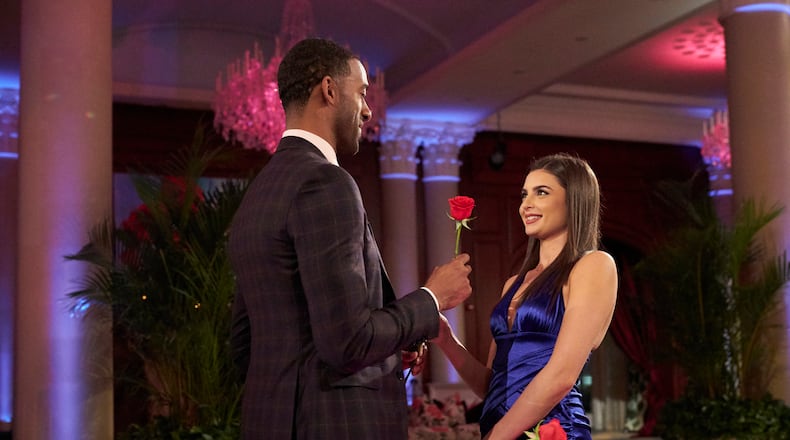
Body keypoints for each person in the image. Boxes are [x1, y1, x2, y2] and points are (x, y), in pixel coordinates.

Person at [227, 37, 473, 440]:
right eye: (361, 93)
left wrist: (390, 348)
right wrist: (432, 297)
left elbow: (245, 345)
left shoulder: (258, 193)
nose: (367, 109)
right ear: (329, 90)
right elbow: (348, 341)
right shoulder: (326, 182)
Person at [431, 153, 617, 440]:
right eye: (524, 195)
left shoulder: (593, 266)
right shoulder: (512, 285)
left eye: (541, 193)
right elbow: (492, 386)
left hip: (553, 430)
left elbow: (562, 377)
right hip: (500, 429)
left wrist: (496, 437)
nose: (525, 205)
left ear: (574, 200)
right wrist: (446, 339)